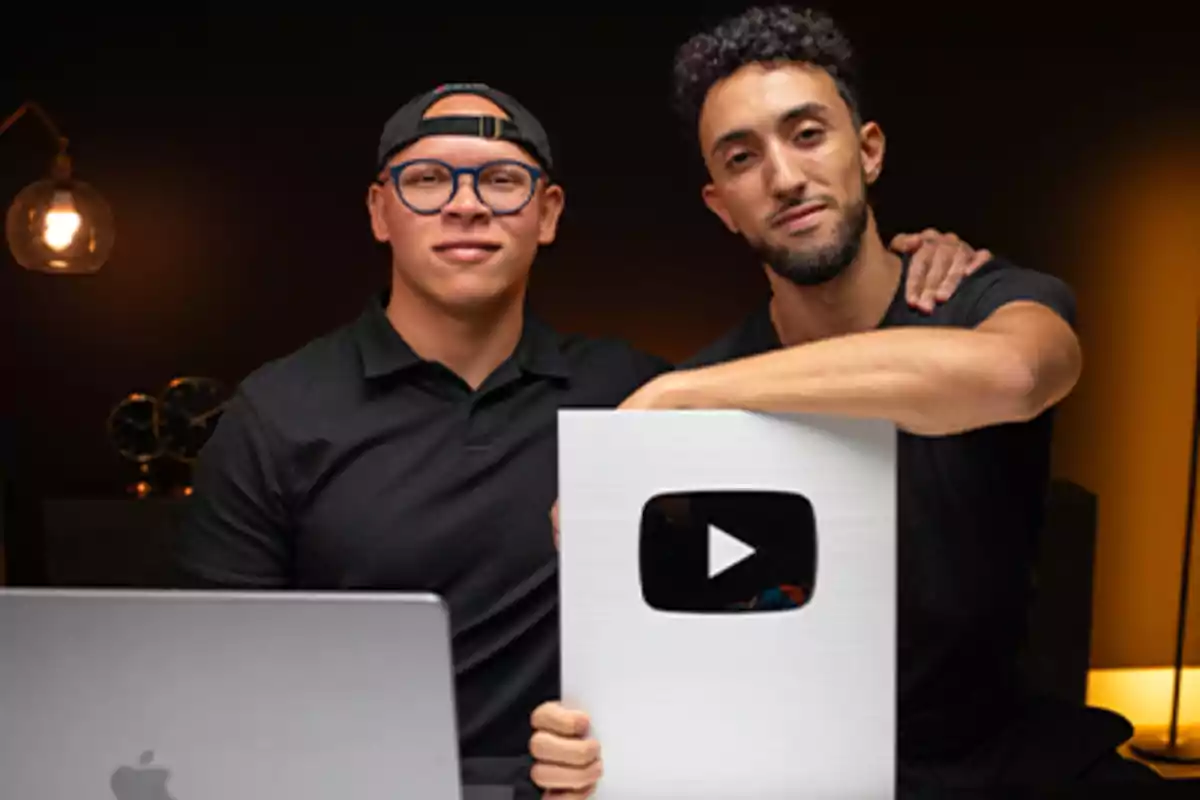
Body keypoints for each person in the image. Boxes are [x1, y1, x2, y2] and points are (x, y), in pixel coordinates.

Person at [172, 81, 991, 798]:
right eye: (427, 181)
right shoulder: (277, 414)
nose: (465, 204)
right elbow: (214, 687)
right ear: (380, 213)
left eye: (501, 180)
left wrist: (907, 272)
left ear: (548, 214)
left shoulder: (634, 396)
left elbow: (751, 621)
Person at [527, 7, 1161, 797]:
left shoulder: (990, 298)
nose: (785, 177)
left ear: (868, 151)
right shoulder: (687, 409)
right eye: (742, 157)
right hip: (795, 772)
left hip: (1006, 763)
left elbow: (1015, 376)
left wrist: (685, 393)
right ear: (721, 204)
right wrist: (587, 746)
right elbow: (673, 658)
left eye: (807, 134)